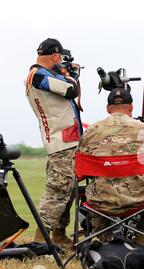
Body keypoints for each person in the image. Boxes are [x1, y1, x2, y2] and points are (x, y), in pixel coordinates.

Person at [77, 88, 144, 245]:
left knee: (90, 188)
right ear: (131, 107)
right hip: (140, 198)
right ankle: (142, 239)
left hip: (100, 199)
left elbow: (79, 167)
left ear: (107, 108)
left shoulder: (91, 131)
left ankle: (105, 240)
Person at [25, 38, 83, 246]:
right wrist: (72, 75)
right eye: (61, 59)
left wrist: (62, 73)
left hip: (65, 139)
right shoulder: (39, 75)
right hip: (61, 141)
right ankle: (40, 241)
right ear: (56, 56)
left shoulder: (42, 74)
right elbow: (70, 90)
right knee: (57, 191)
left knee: (69, 190)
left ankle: (58, 235)